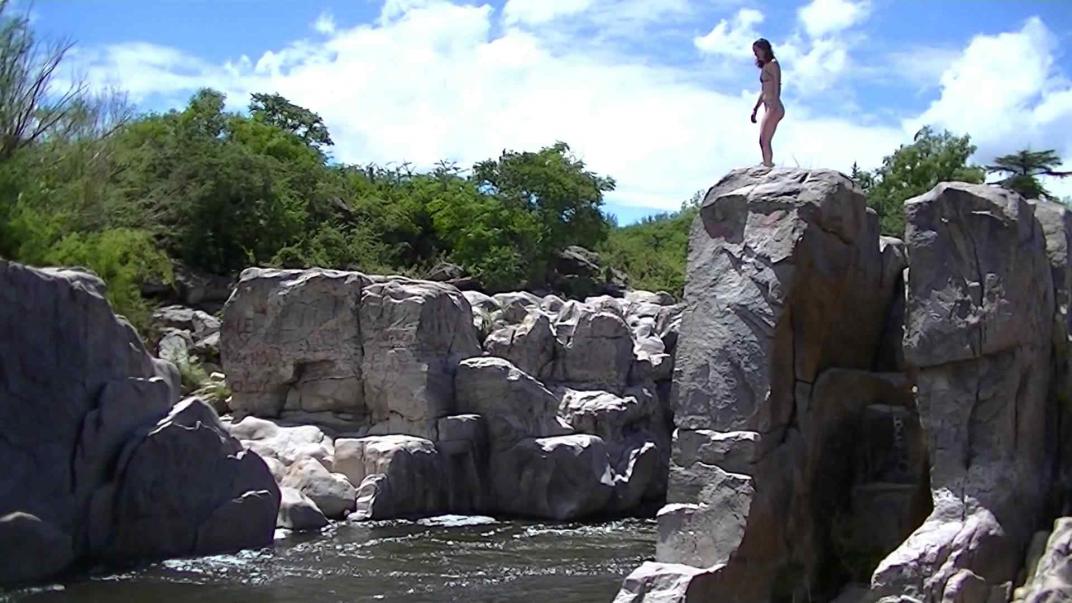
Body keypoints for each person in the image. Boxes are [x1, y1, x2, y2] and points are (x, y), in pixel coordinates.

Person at [750, 38, 784, 168]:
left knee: (764, 139)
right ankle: (767, 163)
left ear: (764, 50)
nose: (756, 54)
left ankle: (768, 165)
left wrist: (775, 102)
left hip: (774, 106)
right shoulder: (765, 67)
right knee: (763, 140)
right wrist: (755, 109)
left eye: (757, 51)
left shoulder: (773, 64)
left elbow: (777, 84)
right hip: (768, 106)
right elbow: (763, 91)